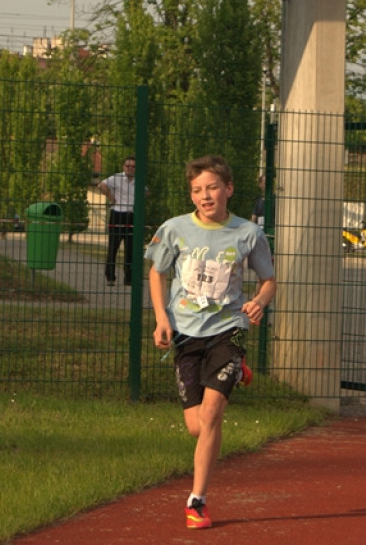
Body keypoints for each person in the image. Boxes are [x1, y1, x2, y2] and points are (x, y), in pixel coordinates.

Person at [145, 155, 276, 530]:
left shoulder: (248, 234)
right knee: (197, 426)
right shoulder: (174, 230)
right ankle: (236, 373)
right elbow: (157, 273)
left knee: (213, 412)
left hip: (229, 327)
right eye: (197, 190)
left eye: (212, 188)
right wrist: (161, 318)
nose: (205, 196)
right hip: (186, 331)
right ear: (191, 195)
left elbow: (269, 281)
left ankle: (197, 500)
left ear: (229, 189)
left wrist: (258, 302)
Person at [99, 156, 137, 286]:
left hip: (132, 215)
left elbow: (146, 192)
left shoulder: (138, 180)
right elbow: (102, 185)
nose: (130, 168)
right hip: (117, 214)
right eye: (128, 166)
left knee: (130, 249)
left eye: (133, 166)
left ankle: (129, 278)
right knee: (113, 247)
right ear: (123, 167)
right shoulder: (116, 178)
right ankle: (110, 276)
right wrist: (111, 197)